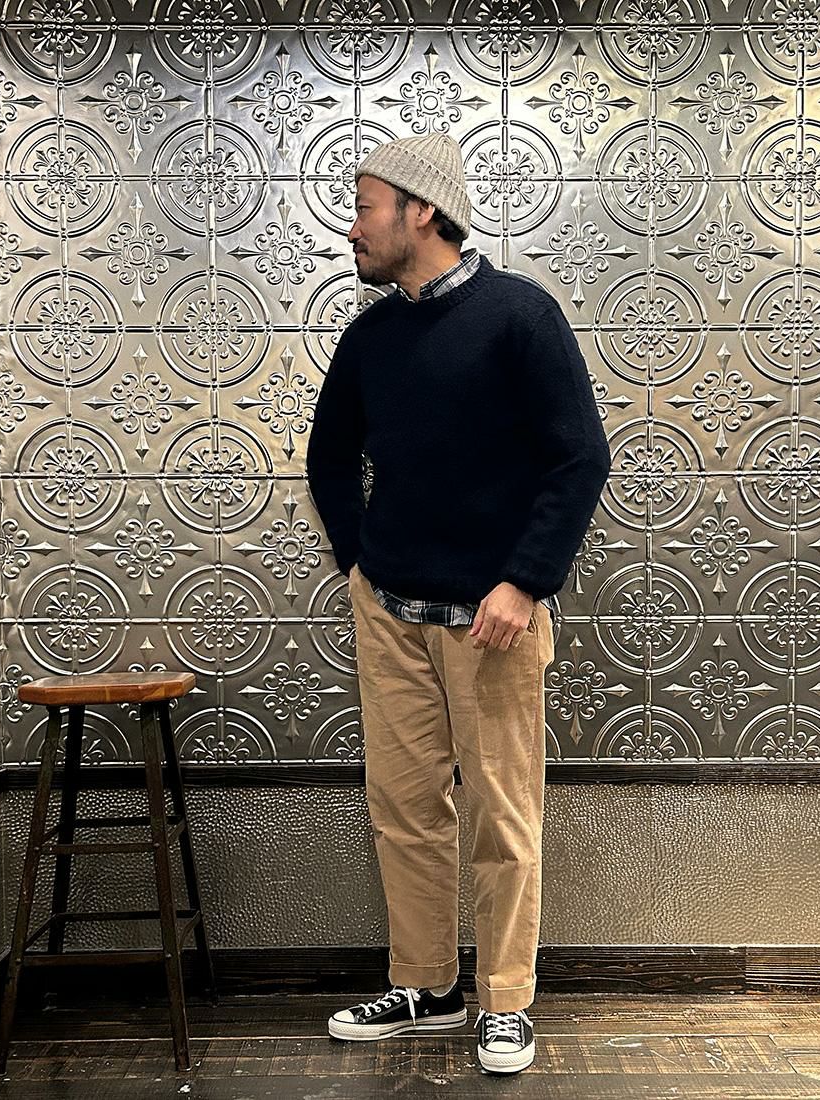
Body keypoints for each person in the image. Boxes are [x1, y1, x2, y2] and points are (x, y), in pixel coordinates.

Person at [305, 132, 610, 1076]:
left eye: (365, 208)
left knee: (502, 818)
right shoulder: (370, 337)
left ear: (422, 211)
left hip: (494, 621)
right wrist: (361, 567)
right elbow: (329, 458)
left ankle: (505, 1001)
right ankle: (427, 986)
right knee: (404, 810)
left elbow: (579, 458)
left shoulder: (520, 315)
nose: (352, 228)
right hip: (390, 613)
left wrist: (525, 581)